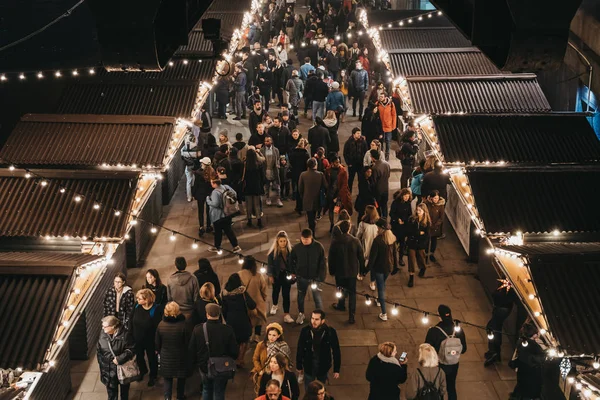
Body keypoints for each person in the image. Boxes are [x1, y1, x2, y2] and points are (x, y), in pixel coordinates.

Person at [189, 303, 239, 400]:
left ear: (207, 314)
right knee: (219, 391)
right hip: (222, 367)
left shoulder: (198, 329)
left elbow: (192, 350)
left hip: (204, 366)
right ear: (219, 315)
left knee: (206, 389)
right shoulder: (227, 330)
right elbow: (234, 352)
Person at [425, 305, 467, 400]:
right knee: (451, 387)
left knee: (439, 389)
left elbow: (426, 350)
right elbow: (464, 349)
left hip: (439, 365)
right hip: (454, 364)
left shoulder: (434, 331)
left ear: (439, 316)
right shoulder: (458, 330)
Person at [328, 220, 364, 324]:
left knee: (340, 289)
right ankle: (351, 316)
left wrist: (331, 270)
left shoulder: (335, 241)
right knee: (352, 293)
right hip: (352, 272)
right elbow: (361, 258)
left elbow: (331, 258)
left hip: (339, 271)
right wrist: (362, 271)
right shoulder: (356, 241)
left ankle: (341, 304)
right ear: (349, 228)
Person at [296, 310, 341, 388]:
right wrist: (299, 365)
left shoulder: (330, 332)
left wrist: (336, 369)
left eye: (316, 319)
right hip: (309, 364)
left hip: (323, 365)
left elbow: (336, 350)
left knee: (321, 387)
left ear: (322, 320)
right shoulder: (306, 331)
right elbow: (300, 348)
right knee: (309, 387)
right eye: (312, 318)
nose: (314, 321)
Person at [290, 229, 326, 325]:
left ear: (311, 238)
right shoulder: (297, 248)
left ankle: (320, 317)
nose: (305, 241)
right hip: (301, 277)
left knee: (317, 297)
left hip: (315, 278)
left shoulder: (318, 247)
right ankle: (301, 313)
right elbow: (291, 260)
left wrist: (320, 278)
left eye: (307, 239)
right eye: (303, 239)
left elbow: (322, 264)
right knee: (300, 297)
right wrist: (294, 272)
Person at [221, 273, 257, 368]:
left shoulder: (224, 294)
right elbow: (252, 305)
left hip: (231, 320)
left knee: (233, 340)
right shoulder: (242, 293)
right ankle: (240, 359)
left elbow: (223, 310)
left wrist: (227, 318)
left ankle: (233, 357)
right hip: (243, 321)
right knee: (244, 340)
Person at [155, 301, 190, 400]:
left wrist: (158, 350)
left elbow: (157, 343)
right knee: (181, 378)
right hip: (181, 356)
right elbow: (188, 342)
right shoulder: (184, 324)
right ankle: (180, 396)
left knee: (167, 378)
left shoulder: (161, 325)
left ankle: (167, 397)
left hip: (166, 357)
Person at [97, 316, 135, 400]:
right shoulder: (103, 333)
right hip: (108, 369)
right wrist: (101, 363)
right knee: (111, 394)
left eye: (105, 326)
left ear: (113, 327)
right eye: (102, 326)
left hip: (122, 368)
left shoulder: (126, 335)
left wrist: (120, 359)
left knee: (124, 391)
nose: (103, 328)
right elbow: (99, 349)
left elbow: (132, 349)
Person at [131, 289, 162, 386]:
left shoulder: (155, 310)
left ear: (147, 300)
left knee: (152, 358)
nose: (137, 300)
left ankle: (153, 375)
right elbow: (130, 319)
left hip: (150, 340)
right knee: (139, 357)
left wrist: (158, 343)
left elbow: (158, 328)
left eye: (140, 299)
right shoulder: (136, 306)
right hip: (137, 339)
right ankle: (142, 370)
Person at [368, 219, 396, 321]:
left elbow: (372, 258)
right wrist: (395, 267)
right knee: (382, 283)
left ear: (381, 228)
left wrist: (366, 270)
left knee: (381, 289)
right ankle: (379, 300)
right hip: (388, 268)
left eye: (377, 227)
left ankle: (384, 313)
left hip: (379, 268)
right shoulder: (392, 238)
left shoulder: (378, 241)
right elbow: (394, 255)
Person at [484, 281, 517, 367]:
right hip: (504, 308)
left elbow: (495, 295)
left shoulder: (504, 287)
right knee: (495, 328)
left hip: (501, 309)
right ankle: (495, 351)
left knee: (492, 329)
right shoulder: (509, 288)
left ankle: (494, 352)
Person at [509, 323, 545, 400]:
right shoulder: (534, 346)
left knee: (521, 388)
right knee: (529, 393)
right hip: (532, 374)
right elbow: (539, 359)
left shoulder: (521, 341)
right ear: (534, 335)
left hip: (522, 371)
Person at [207, 178, 242, 253]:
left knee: (218, 231)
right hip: (228, 213)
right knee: (228, 230)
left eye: (211, 183)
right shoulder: (226, 187)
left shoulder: (215, 192)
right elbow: (234, 193)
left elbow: (215, 204)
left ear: (214, 183)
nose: (211, 184)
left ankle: (217, 247)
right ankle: (235, 246)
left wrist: (208, 200)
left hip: (218, 215)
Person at [267, 231, 295, 324]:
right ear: (277, 242)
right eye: (281, 241)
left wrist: (293, 273)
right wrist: (270, 275)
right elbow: (270, 265)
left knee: (286, 294)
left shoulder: (291, 251)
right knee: (275, 292)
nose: (283, 243)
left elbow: (294, 263)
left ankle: (286, 314)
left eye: (284, 241)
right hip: (277, 275)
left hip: (286, 276)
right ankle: (275, 305)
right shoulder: (273, 253)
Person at [238, 256, 268, 342]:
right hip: (257, 301)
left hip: (245, 302)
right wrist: (263, 298)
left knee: (248, 319)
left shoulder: (239, 274)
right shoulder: (258, 275)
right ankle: (257, 336)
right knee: (258, 319)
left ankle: (249, 335)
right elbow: (264, 288)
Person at [298, 158, 328, 236]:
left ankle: (311, 232)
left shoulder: (303, 174)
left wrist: (303, 196)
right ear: (315, 165)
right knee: (314, 216)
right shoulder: (320, 174)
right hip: (317, 200)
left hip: (307, 200)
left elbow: (300, 188)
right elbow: (325, 186)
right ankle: (312, 231)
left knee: (310, 217)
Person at [166, 257, 199, 326]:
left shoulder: (170, 280)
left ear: (175, 266)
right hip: (190, 311)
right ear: (186, 264)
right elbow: (196, 297)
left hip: (176, 312)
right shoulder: (193, 278)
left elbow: (169, 298)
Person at [324, 155, 352, 233]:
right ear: (332, 163)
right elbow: (326, 181)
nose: (338, 164)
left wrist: (339, 196)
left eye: (339, 162)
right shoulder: (328, 170)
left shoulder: (343, 171)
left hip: (339, 194)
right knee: (330, 209)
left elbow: (344, 185)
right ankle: (332, 224)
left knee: (340, 210)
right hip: (331, 193)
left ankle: (339, 224)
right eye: (336, 162)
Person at [406, 203, 431, 287]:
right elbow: (409, 231)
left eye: (420, 210)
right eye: (417, 210)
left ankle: (423, 267)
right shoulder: (412, 219)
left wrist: (421, 235)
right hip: (412, 243)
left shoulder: (427, 222)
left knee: (421, 258)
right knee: (411, 260)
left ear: (424, 211)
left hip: (420, 244)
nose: (418, 212)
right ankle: (411, 277)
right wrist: (419, 233)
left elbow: (427, 235)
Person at [390, 189, 413, 269]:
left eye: (408, 196)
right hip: (396, 226)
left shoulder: (408, 203)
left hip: (404, 227)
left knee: (402, 243)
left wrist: (407, 221)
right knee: (394, 243)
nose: (406, 198)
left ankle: (400, 259)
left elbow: (410, 214)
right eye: (405, 196)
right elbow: (391, 213)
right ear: (402, 196)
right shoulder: (395, 203)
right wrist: (397, 219)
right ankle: (393, 260)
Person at [243, 146, 266, 228]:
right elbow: (263, 177)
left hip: (248, 187)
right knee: (257, 204)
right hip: (257, 186)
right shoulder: (258, 165)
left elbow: (244, 177)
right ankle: (259, 220)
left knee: (248, 204)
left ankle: (249, 220)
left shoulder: (245, 165)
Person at [357, 205, 380, 284]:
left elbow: (358, 235)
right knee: (373, 263)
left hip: (365, 244)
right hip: (375, 246)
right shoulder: (377, 223)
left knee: (362, 260)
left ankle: (361, 274)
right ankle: (372, 281)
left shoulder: (362, 223)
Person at [193, 156, 215, 236]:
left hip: (200, 194)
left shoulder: (198, 173)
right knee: (209, 211)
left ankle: (201, 227)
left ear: (203, 164)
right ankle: (209, 226)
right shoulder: (212, 172)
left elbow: (196, 184)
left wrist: (194, 193)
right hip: (209, 194)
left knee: (201, 211)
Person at [261, 136, 284, 208]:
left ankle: (278, 199)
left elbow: (277, 159)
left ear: (271, 141)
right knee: (266, 186)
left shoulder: (276, 150)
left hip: (274, 170)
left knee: (277, 186)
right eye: (265, 141)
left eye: (268, 141)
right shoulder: (262, 150)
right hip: (266, 170)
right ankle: (268, 198)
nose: (266, 142)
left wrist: (278, 166)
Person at [343, 127, 368, 191]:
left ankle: (360, 194)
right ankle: (349, 193)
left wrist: (364, 163)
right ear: (353, 134)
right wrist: (348, 163)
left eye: (360, 133)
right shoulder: (348, 142)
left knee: (361, 180)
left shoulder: (363, 142)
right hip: (352, 165)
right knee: (350, 180)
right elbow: (345, 153)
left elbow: (366, 152)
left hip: (360, 165)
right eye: (358, 133)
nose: (359, 134)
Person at [289, 139, 310, 213]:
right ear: (305, 146)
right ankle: (303, 206)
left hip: (295, 174)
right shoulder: (305, 154)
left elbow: (291, 162)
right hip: (303, 174)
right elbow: (308, 165)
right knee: (304, 191)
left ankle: (298, 206)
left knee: (298, 190)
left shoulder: (293, 153)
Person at [425, 190, 446, 263]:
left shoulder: (441, 205)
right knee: (426, 241)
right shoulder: (426, 204)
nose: (436, 200)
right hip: (427, 225)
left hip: (435, 227)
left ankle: (431, 254)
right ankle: (426, 255)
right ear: (430, 198)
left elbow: (442, 217)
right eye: (434, 198)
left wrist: (436, 224)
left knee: (434, 241)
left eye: (437, 198)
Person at [370, 149, 391, 219]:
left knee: (378, 206)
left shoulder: (375, 167)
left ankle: (379, 219)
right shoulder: (387, 164)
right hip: (385, 189)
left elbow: (374, 181)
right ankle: (385, 218)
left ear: (372, 157)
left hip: (378, 191)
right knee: (384, 206)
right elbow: (388, 175)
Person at [376, 92, 397, 160]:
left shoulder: (391, 104)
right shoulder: (378, 104)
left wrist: (393, 125)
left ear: (385, 97)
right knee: (381, 142)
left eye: (382, 97)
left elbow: (394, 115)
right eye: (380, 96)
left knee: (388, 142)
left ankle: (387, 157)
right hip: (380, 127)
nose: (380, 98)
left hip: (388, 126)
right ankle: (381, 156)